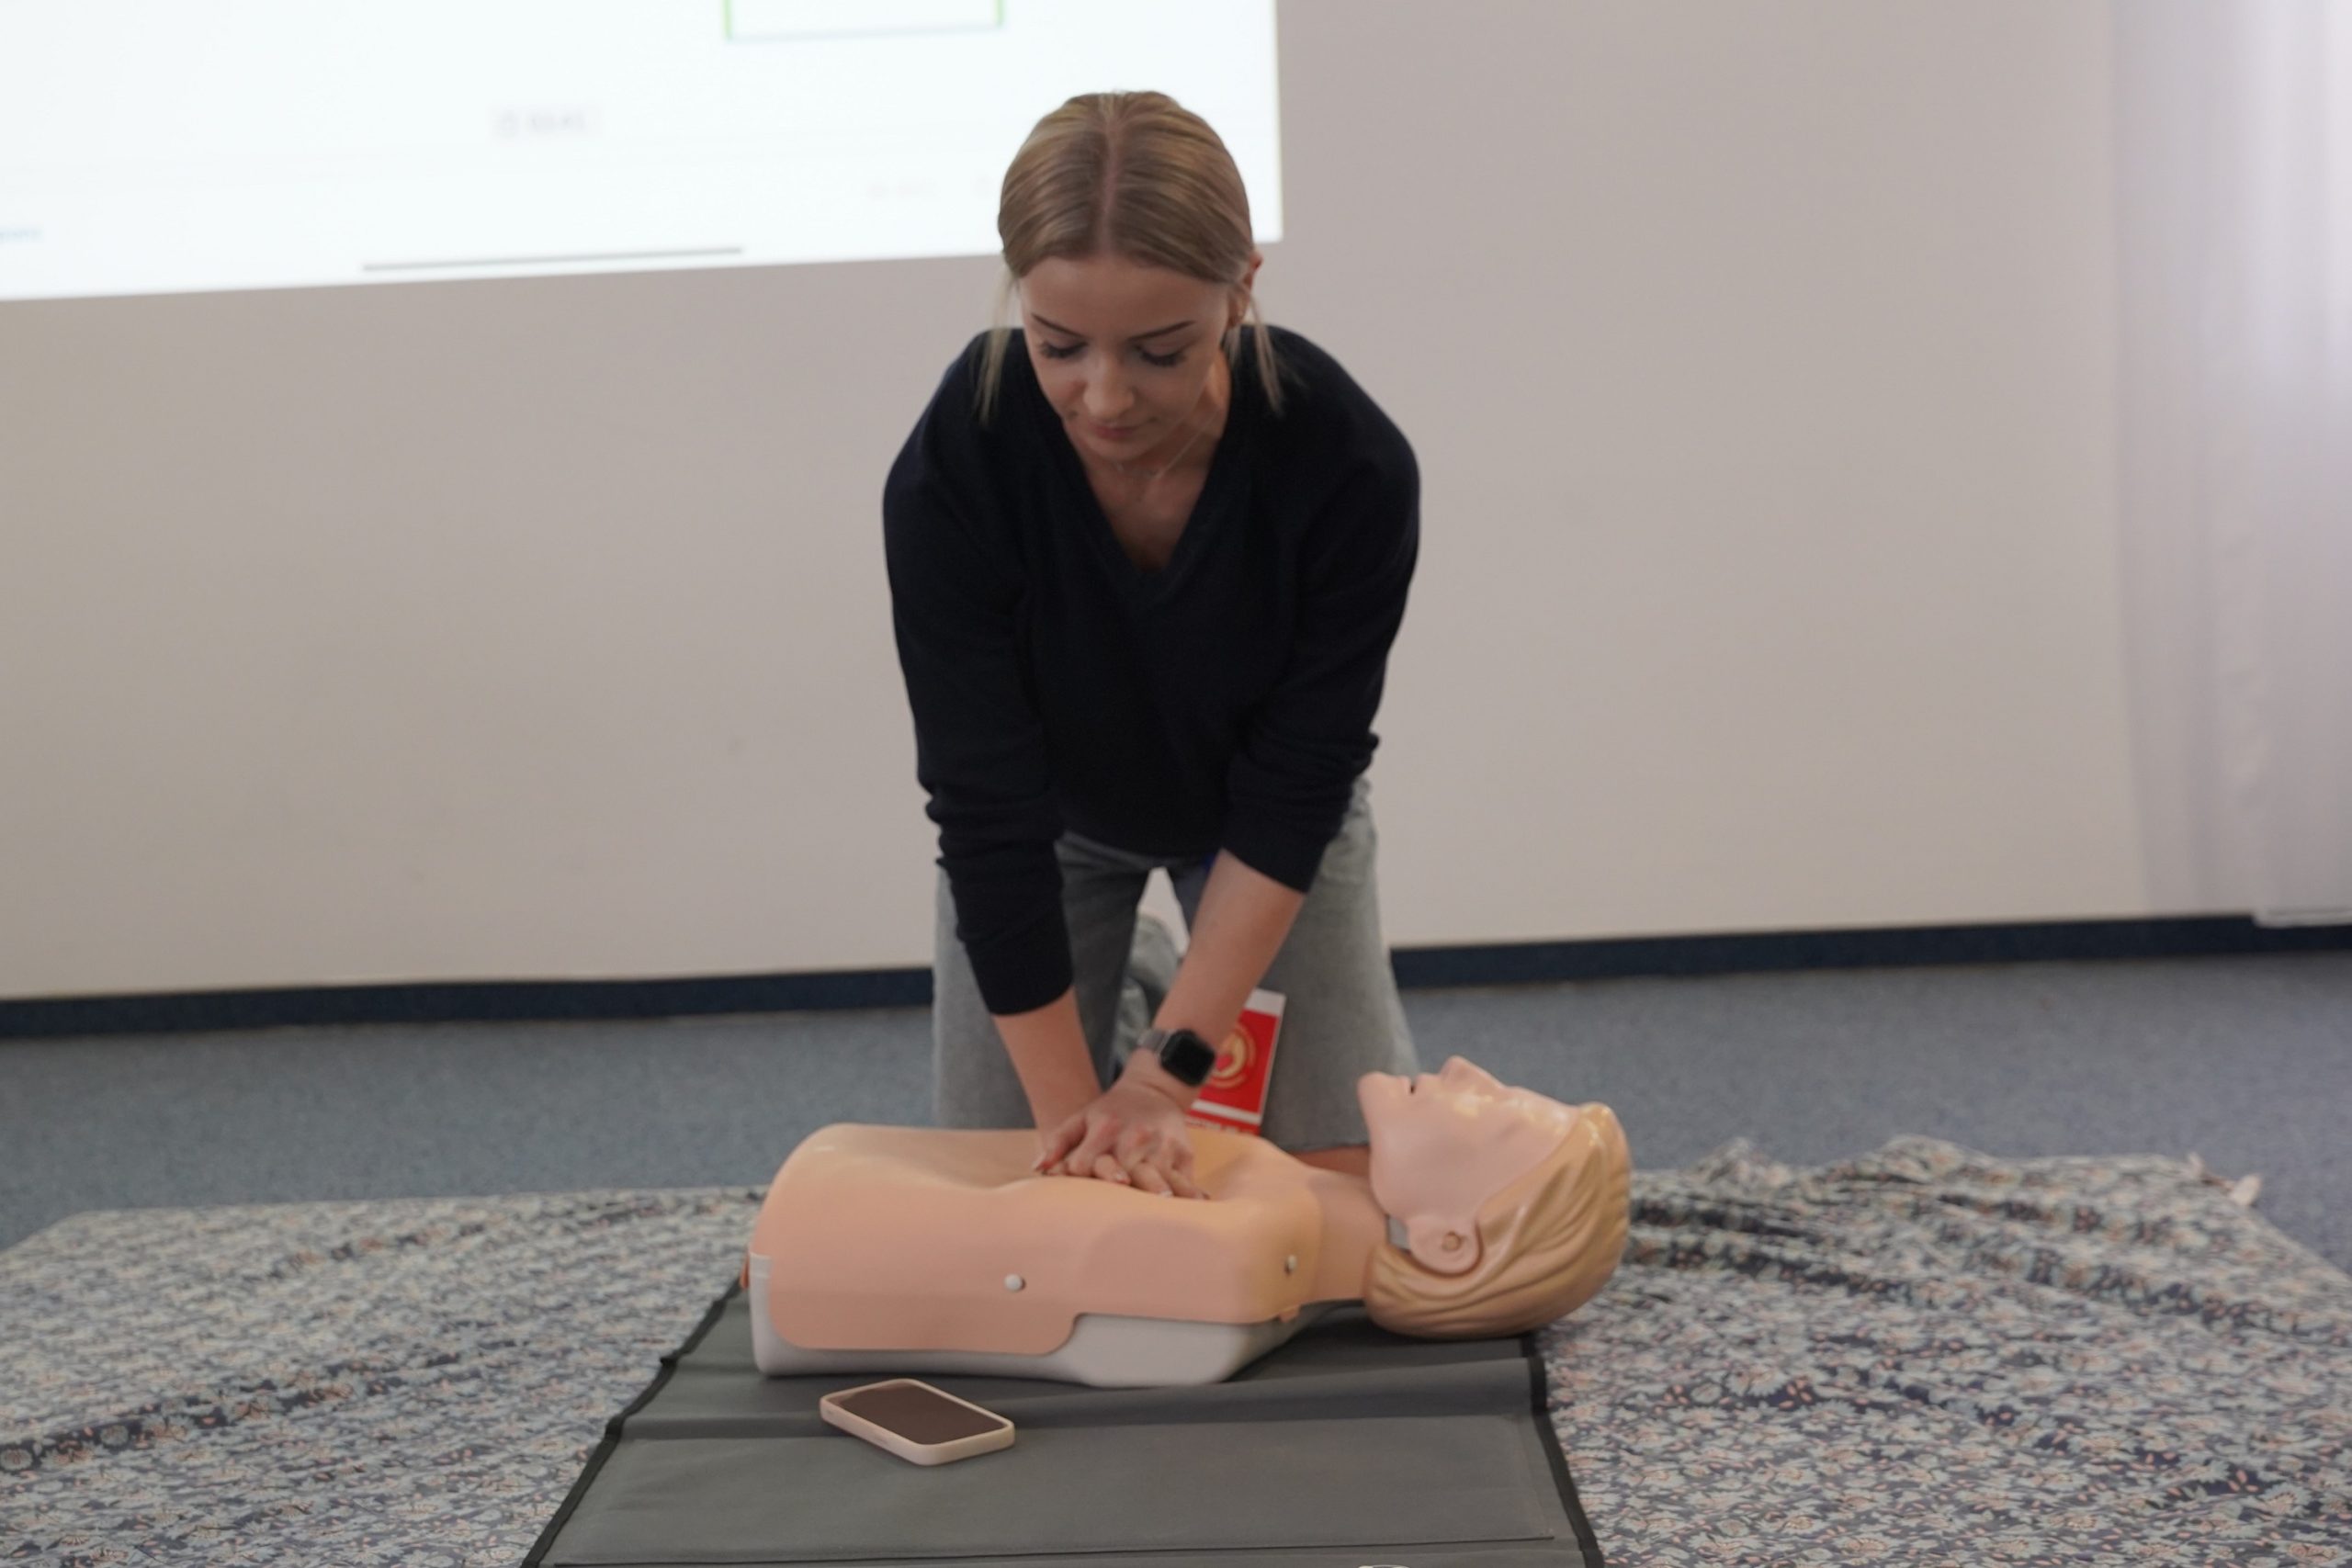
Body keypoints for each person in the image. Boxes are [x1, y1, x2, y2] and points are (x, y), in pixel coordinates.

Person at [883, 90, 1422, 1197]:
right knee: (1019, 1187)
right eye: (1058, 347)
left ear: (1241, 290)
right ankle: (1131, 972)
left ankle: (1160, 1004)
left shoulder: (1347, 464)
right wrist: (1071, 1127)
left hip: (1261, 823)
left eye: (1160, 351)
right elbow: (983, 809)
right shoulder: (961, 460)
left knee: (1341, 1189)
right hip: (1048, 823)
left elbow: (1298, 782)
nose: (1105, 399)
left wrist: (1161, 1079)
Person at [746, 1060, 1633, 1385]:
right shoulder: (1273, 1205)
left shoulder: (1244, 1246)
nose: (1467, 1067)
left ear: (1447, 1241)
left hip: (818, 1216)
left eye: (1498, 1114)